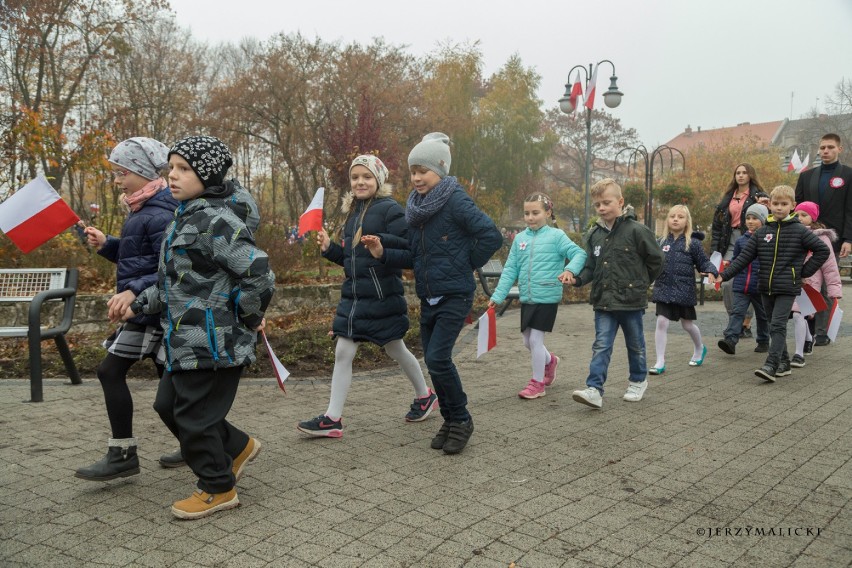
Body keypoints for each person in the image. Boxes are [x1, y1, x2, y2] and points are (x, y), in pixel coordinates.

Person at [124, 136, 275, 519]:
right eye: (171, 167)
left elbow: (258, 272)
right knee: (167, 405)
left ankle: (218, 487)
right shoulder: (185, 214)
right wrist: (139, 304)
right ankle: (237, 446)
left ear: (206, 176)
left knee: (193, 416)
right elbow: (177, 282)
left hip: (213, 341)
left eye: (184, 169)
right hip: (183, 340)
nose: (172, 176)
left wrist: (247, 314)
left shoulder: (215, 220)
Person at [364, 132, 502, 454]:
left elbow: (490, 235)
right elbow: (413, 256)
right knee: (433, 360)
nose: (415, 178)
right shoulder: (417, 208)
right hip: (429, 294)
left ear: (440, 169)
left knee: (439, 358)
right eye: (412, 171)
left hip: (455, 293)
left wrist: (466, 262)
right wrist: (383, 252)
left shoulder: (455, 199)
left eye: (422, 171)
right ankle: (450, 419)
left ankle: (463, 419)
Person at [297, 155, 437, 437]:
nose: (360, 182)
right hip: (355, 298)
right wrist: (330, 248)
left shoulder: (390, 210)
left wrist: (382, 251)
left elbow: (410, 254)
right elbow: (353, 261)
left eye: (367, 177)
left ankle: (425, 396)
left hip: (382, 296)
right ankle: (332, 418)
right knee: (344, 351)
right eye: (355, 177)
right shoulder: (353, 212)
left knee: (395, 349)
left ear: (379, 180)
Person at [74, 137, 180, 482]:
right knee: (136, 378)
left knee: (154, 388)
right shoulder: (141, 209)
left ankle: (203, 445)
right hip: (142, 310)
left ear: (142, 171)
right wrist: (108, 245)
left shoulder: (160, 212)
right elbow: (138, 257)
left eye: (122, 173)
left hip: (154, 311)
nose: (117, 180)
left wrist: (133, 291)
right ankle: (130, 452)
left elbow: (172, 267)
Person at [716, 185, 829, 382]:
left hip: (787, 287)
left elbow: (822, 250)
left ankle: (771, 364)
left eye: (784, 204)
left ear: (792, 206)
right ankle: (784, 363)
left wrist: (803, 272)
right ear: (770, 205)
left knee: (777, 325)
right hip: (765, 287)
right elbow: (743, 258)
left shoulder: (800, 231)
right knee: (772, 324)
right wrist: (723, 276)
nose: (779, 207)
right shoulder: (762, 232)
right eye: (775, 204)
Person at [570, 179, 665, 409]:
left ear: (620, 202)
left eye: (606, 202)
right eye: (597, 205)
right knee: (601, 344)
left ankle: (638, 380)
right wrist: (578, 279)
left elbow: (657, 260)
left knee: (635, 344)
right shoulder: (595, 235)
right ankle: (594, 389)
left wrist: (641, 283)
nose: (602, 208)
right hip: (603, 301)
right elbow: (591, 265)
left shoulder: (637, 231)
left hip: (631, 301)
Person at [486, 192, 586, 399]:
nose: (530, 217)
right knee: (526, 341)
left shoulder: (556, 236)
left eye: (535, 212)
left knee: (535, 341)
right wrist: (497, 296)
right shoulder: (520, 239)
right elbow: (510, 269)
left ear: (548, 212)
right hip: (528, 297)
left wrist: (570, 271)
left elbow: (579, 254)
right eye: (526, 213)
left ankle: (537, 383)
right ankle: (550, 361)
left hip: (547, 295)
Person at [794, 133, 852, 346]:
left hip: (832, 239)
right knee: (806, 282)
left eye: (830, 147)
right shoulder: (807, 176)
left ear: (839, 149)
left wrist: (848, 239)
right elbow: (797, 207)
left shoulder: (848, 174)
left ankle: (822, 331)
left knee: (826, 285)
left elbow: (850, 210)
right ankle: (807, 330)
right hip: (805, 238)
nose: (825, 151)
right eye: (822, 147)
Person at [649, 205, 718, 375]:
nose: (675, 219)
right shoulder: (661, 242)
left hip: (684, 290)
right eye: (672, 216)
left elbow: (704, 262)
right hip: (663, 289)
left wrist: (711, 270)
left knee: (687, 325)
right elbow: (651, 263)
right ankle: (660, 361)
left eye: (680, 217)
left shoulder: (692, 243)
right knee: (661, 322)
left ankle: (699, 348)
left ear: (687, 221)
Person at [711, 163, 765, 339]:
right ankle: (735, 319)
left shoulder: (758, 195)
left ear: (751, 175)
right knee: (727, 283)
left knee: (748, 283)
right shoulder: (728, 197)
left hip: (750, 239)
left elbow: (767, 217)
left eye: (744, 173)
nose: (741, 176)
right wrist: (714, 250)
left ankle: (745, 324)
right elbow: (717, 226)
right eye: (738, 173)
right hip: (729, 242)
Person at [789, 201, 842, 367]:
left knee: (799, 314)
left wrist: (834, 289)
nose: (800, 218)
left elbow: (830, 265)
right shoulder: (790, 233)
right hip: (790, 281)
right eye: (797, 215)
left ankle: (798, 354)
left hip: (810, 284)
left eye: (804, 215)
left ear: (813, 218)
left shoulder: (821, 237)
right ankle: (808, 339)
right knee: (798, 315)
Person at [717, 203, 770, 355]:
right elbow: (737, 260)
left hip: (759, 286)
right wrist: (729, 264)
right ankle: (730, 340)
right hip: (741, 285)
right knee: (737, 312)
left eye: (755, 218)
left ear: (764, 220)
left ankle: (763, 341)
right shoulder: (741, 241)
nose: (750, 221)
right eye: (748, 218)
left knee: (762, 315)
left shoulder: (767, 239)